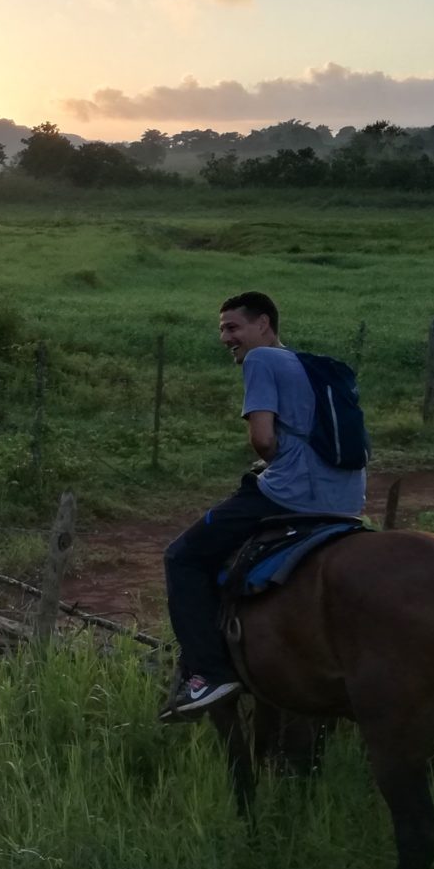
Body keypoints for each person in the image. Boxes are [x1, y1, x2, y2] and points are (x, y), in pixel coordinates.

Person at [159, 291, 367, 720]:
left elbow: (263, 438)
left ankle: (207, 674)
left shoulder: (261, 361)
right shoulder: (307, 364)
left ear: (264, 325)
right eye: (221, 329)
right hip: (346, 500)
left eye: (232, 327)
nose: (225, 338)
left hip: (292, 494)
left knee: (181, 556)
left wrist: (273, 462)